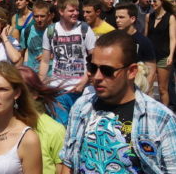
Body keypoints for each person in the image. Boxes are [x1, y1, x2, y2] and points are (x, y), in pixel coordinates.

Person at [60, 30, 176, 173]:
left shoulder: (160, 118)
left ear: (132, 71)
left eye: (107, 71)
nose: (97, 77)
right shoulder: (81, 107)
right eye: (92, 67)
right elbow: (68, 162)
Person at [39, 0, 96, 97]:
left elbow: (94, 58)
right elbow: (45, 61)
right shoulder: (51, 30)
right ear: (61, 11)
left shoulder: (84, 29)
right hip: (58, 88)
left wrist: (84, 81)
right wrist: (40, 83)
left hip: (80, 88)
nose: (75, 13)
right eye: (71, 11)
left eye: (77, 10)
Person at [18, 65, 65, 174]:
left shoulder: (55, 130)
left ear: (34, 94)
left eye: (20, 90)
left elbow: (61, 169)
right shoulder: (1, 125)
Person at [115, 2, 156, 93]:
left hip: (138, 89)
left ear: (132, 19)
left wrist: (143, 91)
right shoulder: (115, 40)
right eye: (116, 17)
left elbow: (151, 69)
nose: (117, 20)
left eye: (121, 17)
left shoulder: (144, 42)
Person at [145, 0, 176, 106]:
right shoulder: (149, 17)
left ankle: (165, 111)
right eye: (151, 1)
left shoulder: (170, 17)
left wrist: (171, 55)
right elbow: (146, 36)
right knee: (148, 86)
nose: (152, 3)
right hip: (151, 56)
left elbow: (173, 38)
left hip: (164, 55)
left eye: (155, 1)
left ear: (162, 1)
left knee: (163, 88)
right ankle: (151, 111)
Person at [21, 0, 53, 73]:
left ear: (48, 15)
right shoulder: (26, 31)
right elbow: (22, 52)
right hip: (32, 74)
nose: (39, 19)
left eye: (42, 16)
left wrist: (49, 56)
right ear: (32, 16)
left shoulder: (54, 31)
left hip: (49, 74)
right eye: (36, 16)